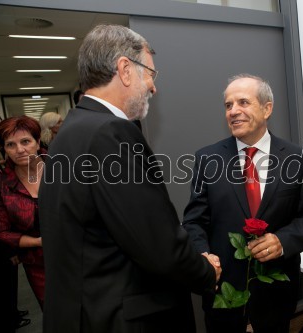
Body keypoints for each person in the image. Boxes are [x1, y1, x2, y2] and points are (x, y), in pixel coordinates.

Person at [38, 24, 221, 333]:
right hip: (122, 316)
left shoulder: (71, 132)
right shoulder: (113, 133)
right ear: (125, 70)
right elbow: (154, 242)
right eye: (150, 74)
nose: (153, 87)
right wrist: (204, 270)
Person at [183, 73, 303, 333]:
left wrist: (283, 241)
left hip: (276, 291)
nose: (233, 111)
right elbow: (194, 221)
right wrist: (203, 255)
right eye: (228, 105)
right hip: (223, 291)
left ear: (267, 108)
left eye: (243, 102)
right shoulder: (207, 158)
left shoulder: (299, 158)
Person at [0, 116, 46, 310]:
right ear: (4, 149)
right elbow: (1, 232)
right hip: (38, 264)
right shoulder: (0, 186)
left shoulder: (63, 171)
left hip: (81, 256)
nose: (20, 150)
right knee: (57, 317)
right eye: (11, 144)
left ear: (37, 141)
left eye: (25, 141)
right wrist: (39, 241)